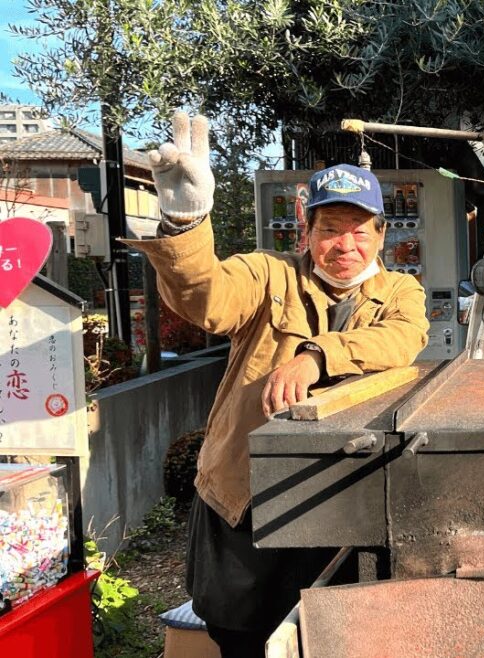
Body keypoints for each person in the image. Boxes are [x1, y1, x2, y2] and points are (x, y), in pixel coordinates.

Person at [126, 112, 429, 657]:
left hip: (343, 497)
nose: (346, 244)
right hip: (246, 498)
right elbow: (206, 301)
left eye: (360, 229)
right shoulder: (268, 274)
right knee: (240, 635)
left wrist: (315, 356)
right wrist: (185, 223)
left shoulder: (402, 291)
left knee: (333, 637)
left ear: (382, 234)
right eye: (331, 228)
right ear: (306, 228)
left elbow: (403, 340)